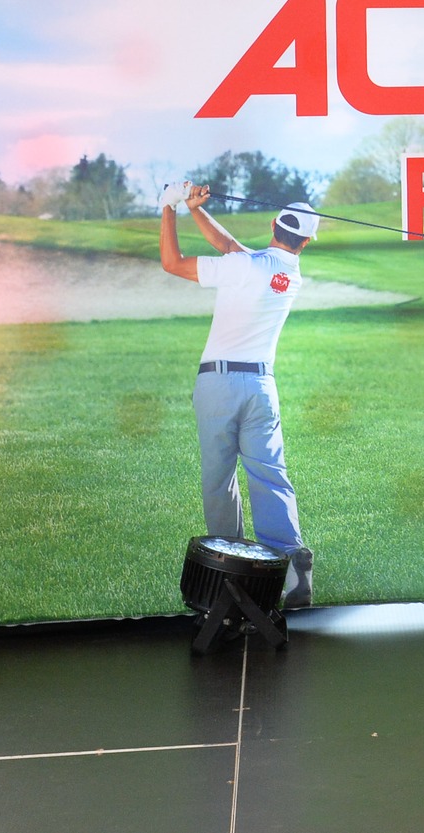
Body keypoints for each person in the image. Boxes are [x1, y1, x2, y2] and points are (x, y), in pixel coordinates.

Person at [158, 180, 319, 608]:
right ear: (305, 241)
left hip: (219, 384)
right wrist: (196, 210)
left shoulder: (245, 266)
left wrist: (170, 207)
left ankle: (233, 572)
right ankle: (291, 559)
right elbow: (231, 247)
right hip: (262, 388)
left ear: (273, 225)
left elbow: (172, 263)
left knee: (220, 480)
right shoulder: (289, 275)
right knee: (270, 474)